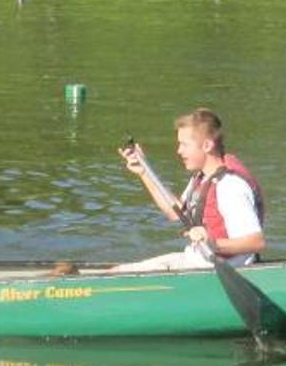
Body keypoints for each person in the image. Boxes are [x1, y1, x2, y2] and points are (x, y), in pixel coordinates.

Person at [109, 108, 265, 272]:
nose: (179, 150)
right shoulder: (201, 177)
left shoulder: (230, 186)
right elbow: (175, 212)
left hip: (220, 269)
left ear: (207, 145)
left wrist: (213, 243)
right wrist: (144, 172)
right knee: (116, 271)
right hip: (195, 261)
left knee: (116, 277)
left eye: (184, 144)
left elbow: (256, 242)